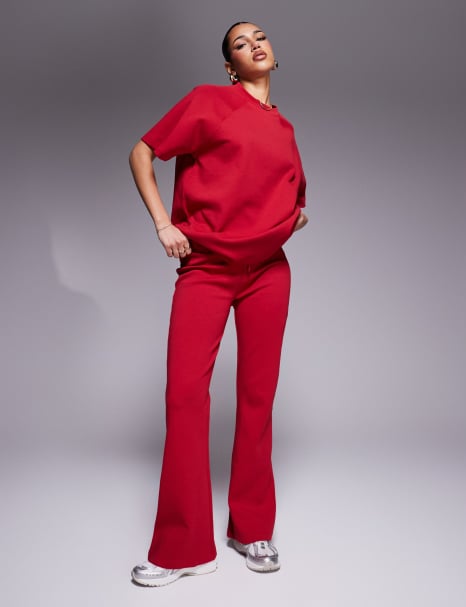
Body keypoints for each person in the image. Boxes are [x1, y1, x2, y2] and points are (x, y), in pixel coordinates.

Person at [129, 21, 309, 587]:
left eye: (261, 36)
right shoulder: (209, 102)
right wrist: (164, 223)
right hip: (205, 268)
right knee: (184, 396)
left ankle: (252, 529)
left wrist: (288, 222)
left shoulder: (283, 127)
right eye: (240, 42)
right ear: (231, 67)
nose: (255, 43)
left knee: (257, 399)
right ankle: (183, 548)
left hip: (268, 274)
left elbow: (295, 201)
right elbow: (143, 152)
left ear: (273, 54)